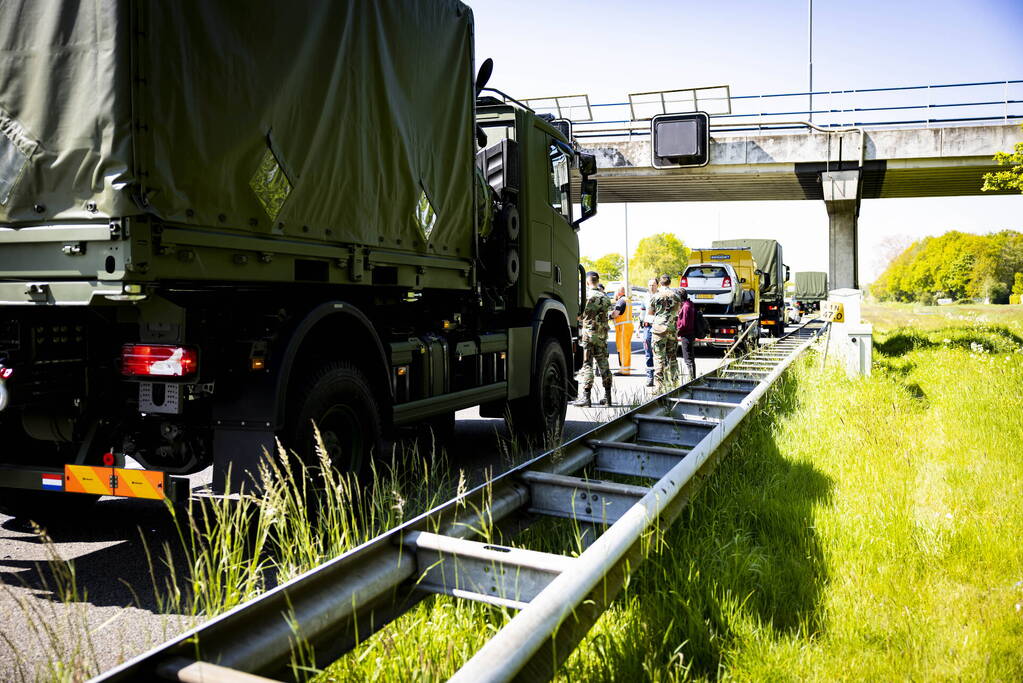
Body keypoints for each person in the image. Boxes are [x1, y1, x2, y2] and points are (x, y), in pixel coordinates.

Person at [572, 271, 613, 407]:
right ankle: (608, 397)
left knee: (587, 364)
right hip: (602, 335)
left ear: (587, 281)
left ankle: (586, 397)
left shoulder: (585, 297)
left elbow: (578, 316)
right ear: (597, 280)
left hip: (588, 335)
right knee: (604, 364)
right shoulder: (605, 297)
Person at [649, 273, 681, 389]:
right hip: (672, 329)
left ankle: (659, 386)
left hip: (658, 330)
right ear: (670, 283)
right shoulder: (676, 296)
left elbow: (650, 313)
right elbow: (679, 310)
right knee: (672, 357)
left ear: (660, 283)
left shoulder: (655, 296)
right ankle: (675, 383)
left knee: (659, 358)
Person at [610, 286, 634, 376]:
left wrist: (610, 315)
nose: (614, 295)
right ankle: (623, 368)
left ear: (619, 293)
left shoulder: (621, 301)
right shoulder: (627, 300)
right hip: (626, 327)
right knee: (624, 348)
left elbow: (616, 313)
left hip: (623, 328)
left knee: (623, 348)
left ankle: (624, 370)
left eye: (615, 292)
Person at [676, 287, 697, 383]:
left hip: (686, 334)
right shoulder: (690, 304)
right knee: (690, 357)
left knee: (688, 358)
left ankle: (692, 379)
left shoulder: (686, 307)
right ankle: (693, 377)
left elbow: (684, 324)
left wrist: (677, 331)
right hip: (690, 333)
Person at [640, 278, 658, 387]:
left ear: (657, 285)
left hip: (658, 328)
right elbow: (642, 314)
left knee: (659, 353)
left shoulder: (661, 297)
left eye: (654, 284)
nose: (652, 287)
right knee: (648, 353)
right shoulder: (645, 298)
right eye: (650, 285)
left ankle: (661, 377)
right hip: (647, 328)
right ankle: (649, 377)